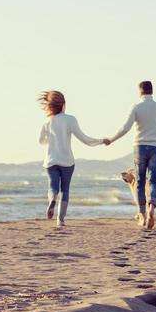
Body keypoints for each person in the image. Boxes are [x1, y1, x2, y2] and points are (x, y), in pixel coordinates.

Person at [107, 80, 156, 229]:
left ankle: (142, 215)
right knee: (153, 181)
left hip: (139, 146)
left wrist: (111, 139)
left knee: (139, 182)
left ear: (140, 92)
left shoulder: (137, 107)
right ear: (152, 91)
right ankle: (152, 207)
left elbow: (125, 128)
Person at [37, 90, 107, 227]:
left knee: (53, 186)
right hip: (67, 161)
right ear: (63, 104)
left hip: (51, 160)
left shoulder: (47, 122)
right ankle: (60, 220)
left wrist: (51, 142)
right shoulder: (70, 119)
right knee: (65, 189)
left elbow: (40, 141)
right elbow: (85, 139)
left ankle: (52, 200)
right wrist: (101, 141)